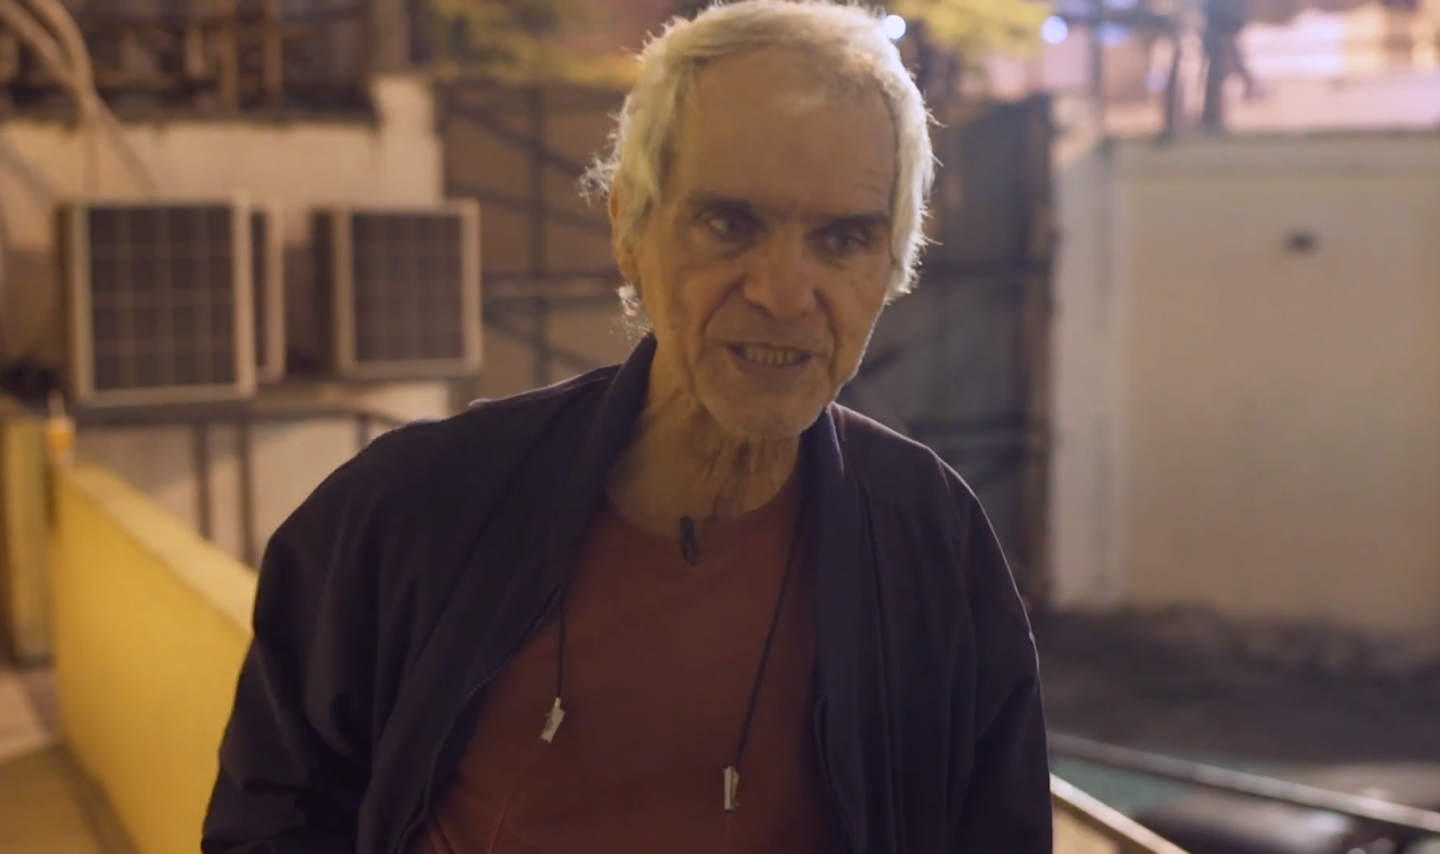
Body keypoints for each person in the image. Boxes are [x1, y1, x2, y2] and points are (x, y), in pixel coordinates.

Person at [201, 2, 1053, 852]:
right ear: (628, 228)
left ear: (894, 263)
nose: (784, 294)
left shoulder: (933, 552)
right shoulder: (408, 515)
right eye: (730, 224)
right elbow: (271, 824)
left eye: (843, 240)